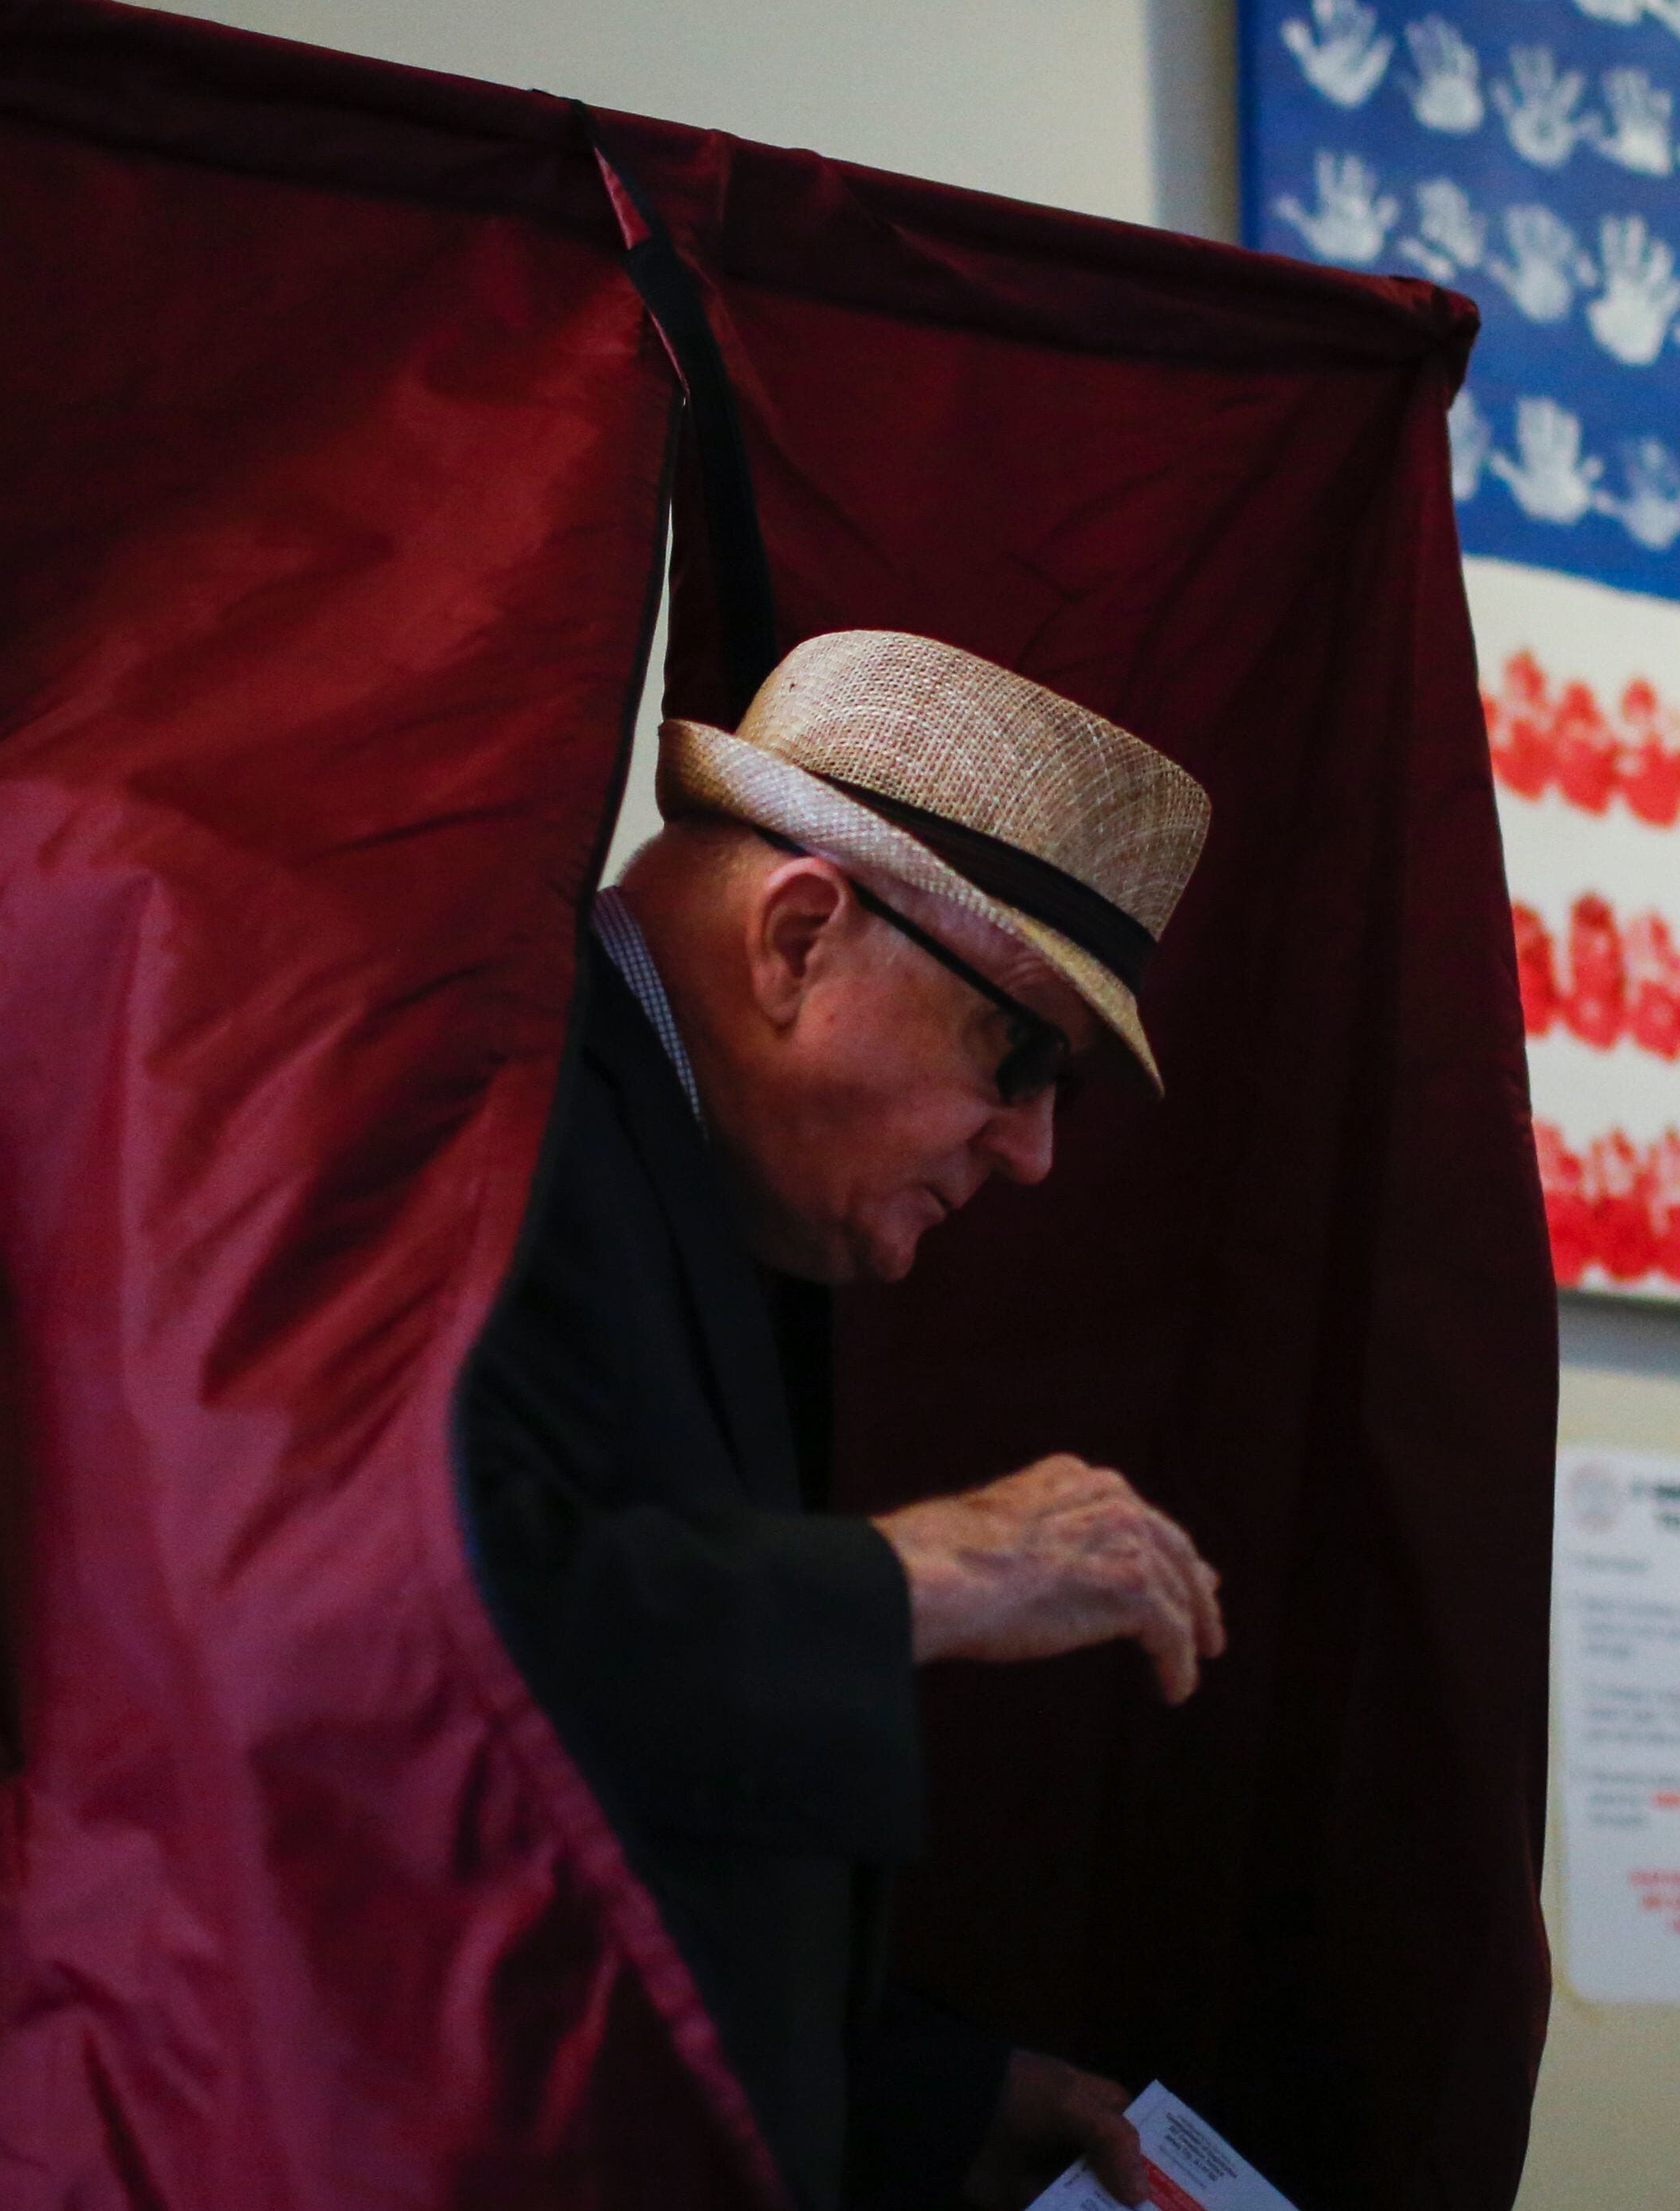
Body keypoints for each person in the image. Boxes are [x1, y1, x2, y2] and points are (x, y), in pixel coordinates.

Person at [457, 630, 1228, 2211]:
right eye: (1017, 1058)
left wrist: (936, 2100)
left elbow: (639, 1844)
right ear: (801, 933)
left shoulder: (667, 1153)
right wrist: (914, 1579)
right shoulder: (487, 1115)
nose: (1031, 1156)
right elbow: (402, 1667)